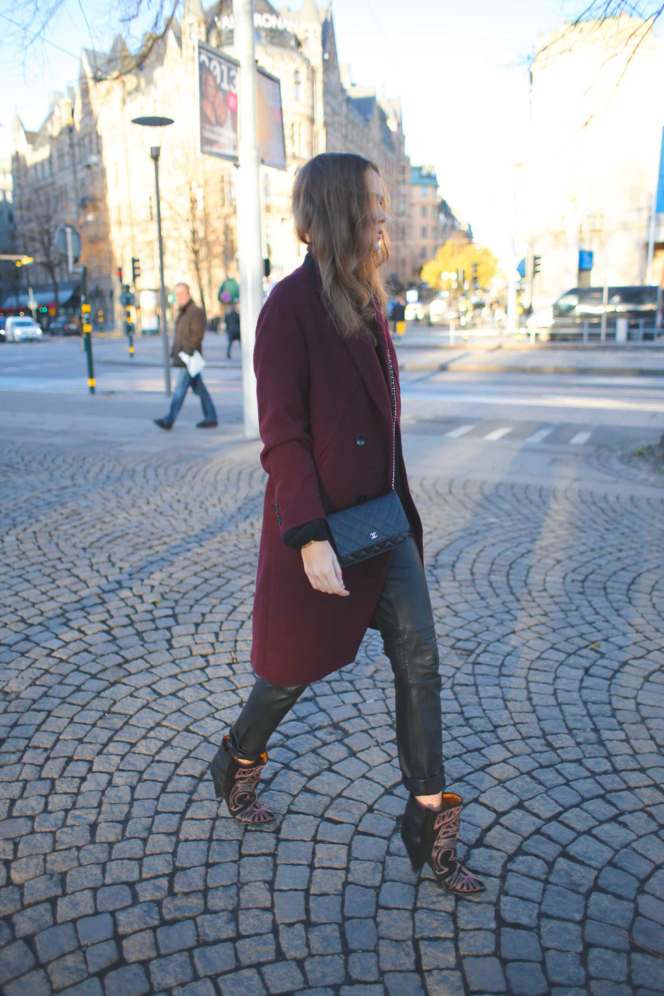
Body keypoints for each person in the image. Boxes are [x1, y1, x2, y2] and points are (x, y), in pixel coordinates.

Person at [209, 153, 484, 896]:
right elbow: (283, 438)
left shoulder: (367, 298)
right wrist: (309, 537)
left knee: (419, 657)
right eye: (375, 205)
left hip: (381, 523)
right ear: (339, 212)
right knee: (286, 675)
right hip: (323, 528)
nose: (386, 219)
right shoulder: (287, 309)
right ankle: (236, 758)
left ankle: (426, 822)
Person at [154, 282, 218, 430]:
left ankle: (169, 420)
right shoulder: (183, 312)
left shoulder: (195, 311)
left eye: (181, 293)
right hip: (184, 357)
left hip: (189, 359)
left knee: (179, 391)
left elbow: (197, 336)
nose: (179, 297)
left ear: (188, 293)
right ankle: (211, 417)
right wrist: (173, 352)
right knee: (200, 389)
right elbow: (180, 336)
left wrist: (186, 353)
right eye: (176, 294)